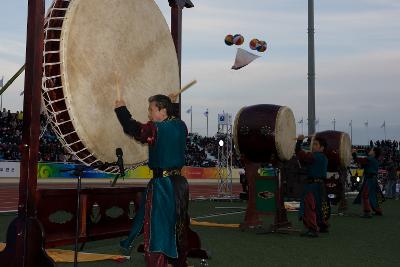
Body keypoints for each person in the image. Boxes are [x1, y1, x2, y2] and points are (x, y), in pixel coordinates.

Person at [115, 92, 190, 267]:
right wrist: (172, 102)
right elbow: (173, 118)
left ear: (162, 111)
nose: (149, 114)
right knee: (177, 223)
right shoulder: (181, 125)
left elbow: (134, 129)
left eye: (151, 110)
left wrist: (121, 110)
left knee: (156, 229)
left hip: (163, 186)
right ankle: (177, 260)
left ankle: (157, 263)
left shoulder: (156, 129)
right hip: (179, 184)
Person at [296, 135, 330, 237]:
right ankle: (322, 226)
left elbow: (302, 155)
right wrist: (311, 139)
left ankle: (312, 228)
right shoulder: (323, 157)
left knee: (309, 206)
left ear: (322, 148)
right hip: (319, 185)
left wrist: (299, 142)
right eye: (313, 144)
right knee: (318, 206)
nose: (313, 146)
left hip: (312, 186)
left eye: (316, 144)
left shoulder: (316, 156)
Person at [353, 147, 384, 218]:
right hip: (373, 179)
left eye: (371, 150)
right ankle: (378, 210)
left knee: (365, 195)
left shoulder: (370, 159)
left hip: (369, 179)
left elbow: (359, 160)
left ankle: (367, 212)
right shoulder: (375, 160)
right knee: (373, 196)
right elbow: (363, 164)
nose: (370, 150)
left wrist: (354, 154)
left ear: (374, 152)